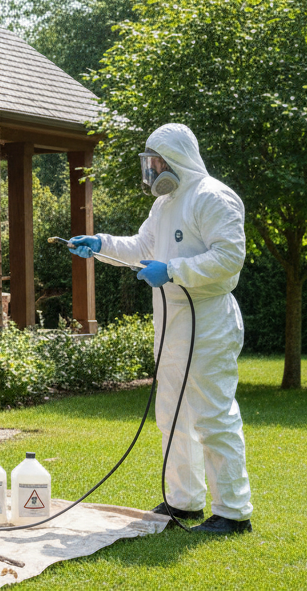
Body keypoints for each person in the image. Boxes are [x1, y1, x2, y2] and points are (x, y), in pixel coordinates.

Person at [68, 123, 253, 535]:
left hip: (208, 322)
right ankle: (183, 503)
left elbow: (229, 259)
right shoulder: (165, 204)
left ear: (174, 158)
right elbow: (141, 248)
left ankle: (233, 512)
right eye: (148, 162)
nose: (150, 169)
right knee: (173, 416)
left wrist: (172, 271)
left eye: (155, 160)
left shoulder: (213, 197)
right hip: (172, 324)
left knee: (212, 415)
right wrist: (101, 244)